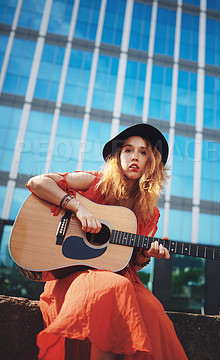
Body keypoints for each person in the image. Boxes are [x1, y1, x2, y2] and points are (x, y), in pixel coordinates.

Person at [27, 123, 188, 360]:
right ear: (118, 156)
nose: (135, 157)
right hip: (76, 275)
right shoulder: (95, 182)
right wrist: (77, 208)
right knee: (115, 287)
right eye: (128, 150)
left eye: (143, 152)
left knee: (153, 312)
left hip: (121, 277)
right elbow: (37, 183)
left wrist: (145, 254)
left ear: (151, 162)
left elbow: (129, 261)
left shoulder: (149, 213)